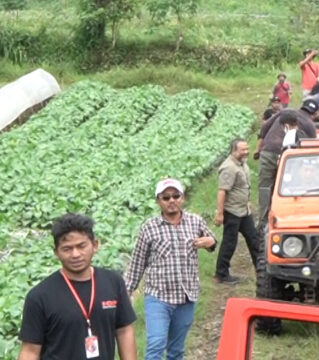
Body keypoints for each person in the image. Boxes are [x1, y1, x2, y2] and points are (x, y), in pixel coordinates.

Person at [19, 213, 137, 360]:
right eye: (67, 249)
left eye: (81, 246)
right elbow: (30, 351)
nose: (75, 254)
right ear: (56, 252)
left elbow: (124, 331)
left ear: (95, 245)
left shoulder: (113, 282)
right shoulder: (39, 297)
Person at [125, 179, 216, 360]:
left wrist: (210, 242)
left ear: (183, 198)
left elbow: (211, 239)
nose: (171, 200)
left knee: (176, 350)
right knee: (156, 345)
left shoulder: (195, 221)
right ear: (158, 201)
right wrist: (126, 291)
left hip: (186, 296)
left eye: (176, 196)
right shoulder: (149, 228)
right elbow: (137, 263)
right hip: (158, 297)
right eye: (166, 197)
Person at [255, 105, 318, 230]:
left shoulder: (284, 113)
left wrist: (258, 149)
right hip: (289, 157)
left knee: (265, 186)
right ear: (314, 114)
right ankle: (288, 214)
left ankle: (263, 220)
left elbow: (264, 128)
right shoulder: (309, 124)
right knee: (289, 186)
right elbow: (312, 145)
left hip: (268, 151)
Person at [215, 139, 263, 284]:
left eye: (247, 149)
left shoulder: (242, 164)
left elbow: (242, 187)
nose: (246, 152)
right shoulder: (229, 168)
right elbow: (222, 191)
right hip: (232, 211)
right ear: (234, 151)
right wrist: (220, 213)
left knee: (254, 240)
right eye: (242, 149)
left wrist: (247, 201)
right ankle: (221, 274)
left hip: (243, 210)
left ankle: (261, 270)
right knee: (230, 242)